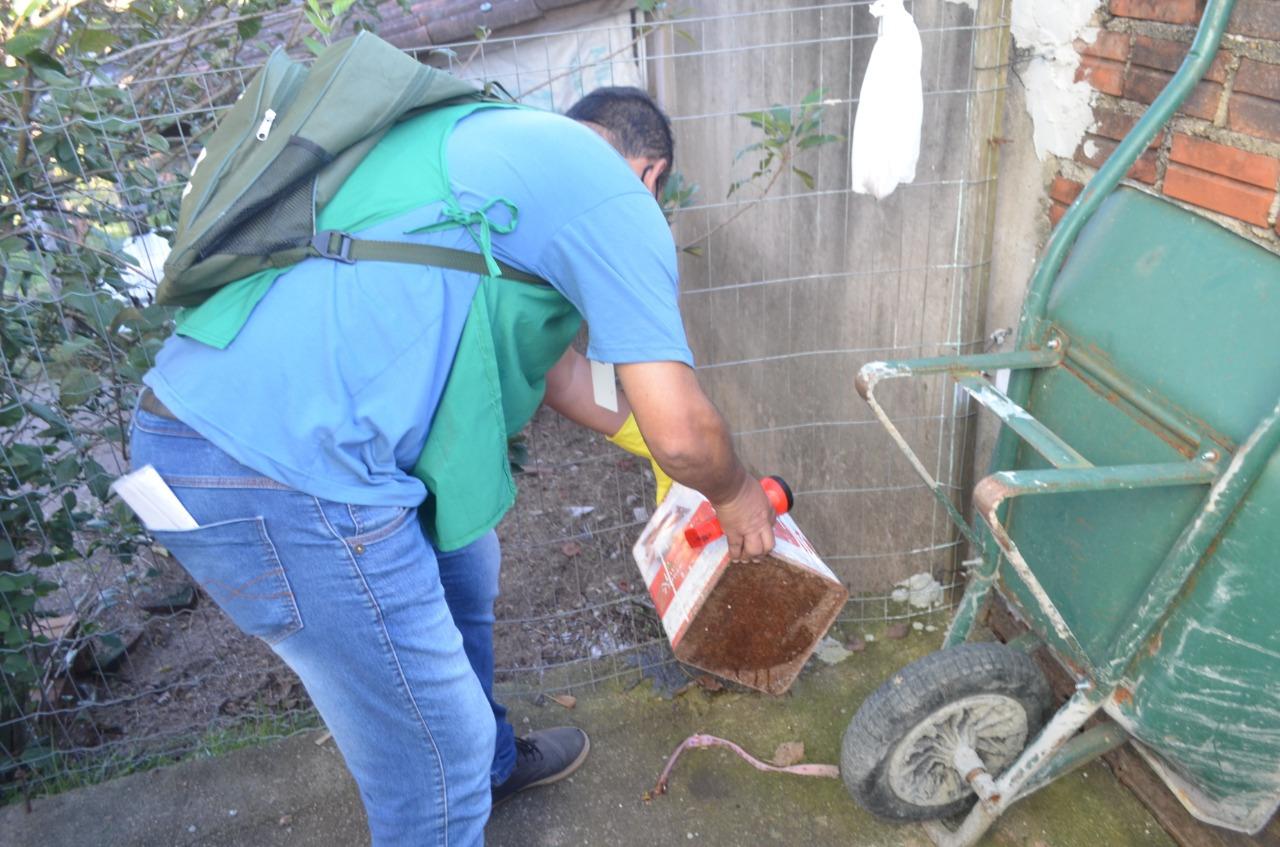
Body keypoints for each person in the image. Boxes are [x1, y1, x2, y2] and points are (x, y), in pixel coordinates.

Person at [130, 84, 776, 846]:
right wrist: (731, 491)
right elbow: (683, 432)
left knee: (465, 563)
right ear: (653, 176)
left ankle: (493, 763)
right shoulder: (613, 192)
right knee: (435, 763)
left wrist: (668, 464)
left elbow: (565, 379)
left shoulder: (500, 146)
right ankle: (465, 775)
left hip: (198, 426)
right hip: (280, 470)